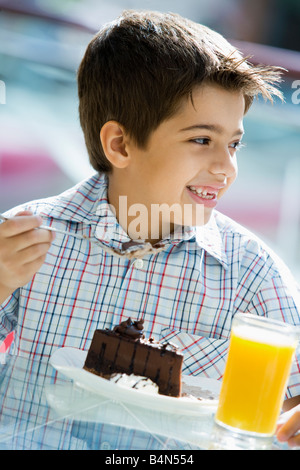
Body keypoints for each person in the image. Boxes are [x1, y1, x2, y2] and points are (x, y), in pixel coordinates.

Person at [0, 10, 299, 443]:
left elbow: (289, 405)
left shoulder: (252, 274)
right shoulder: (23, 240)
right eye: (201, 140)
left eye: (233, 144)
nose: (226, 167)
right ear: (120, 145)